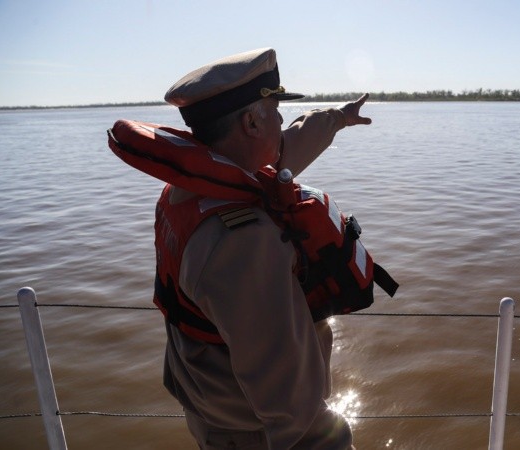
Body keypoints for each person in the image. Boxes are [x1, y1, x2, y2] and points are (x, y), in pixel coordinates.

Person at [157, 47, 370, 449]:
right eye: (275, 112)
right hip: (250, 431)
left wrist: (339, 117)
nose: (281, 122)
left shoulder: (185, 188)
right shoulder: (242, 240)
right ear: (251, 122)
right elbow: (294, 414)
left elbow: (289, 146)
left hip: (208, 406)